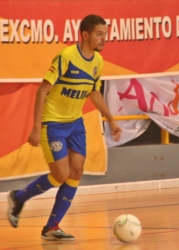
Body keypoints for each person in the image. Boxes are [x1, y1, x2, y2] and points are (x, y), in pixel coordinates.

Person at [7, 14, 122, 241]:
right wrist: (36, 127)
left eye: (105, 34)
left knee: (76, 171)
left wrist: (110, 119)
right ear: (85, 35)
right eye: (99, 34)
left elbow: (94, 92)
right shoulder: (66, 57)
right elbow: (42, 91)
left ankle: (52, 227)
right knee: (60, 174)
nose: (104, 39)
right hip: (54, 123)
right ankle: (19, 197)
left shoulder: (98, 62)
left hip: (75, 123)